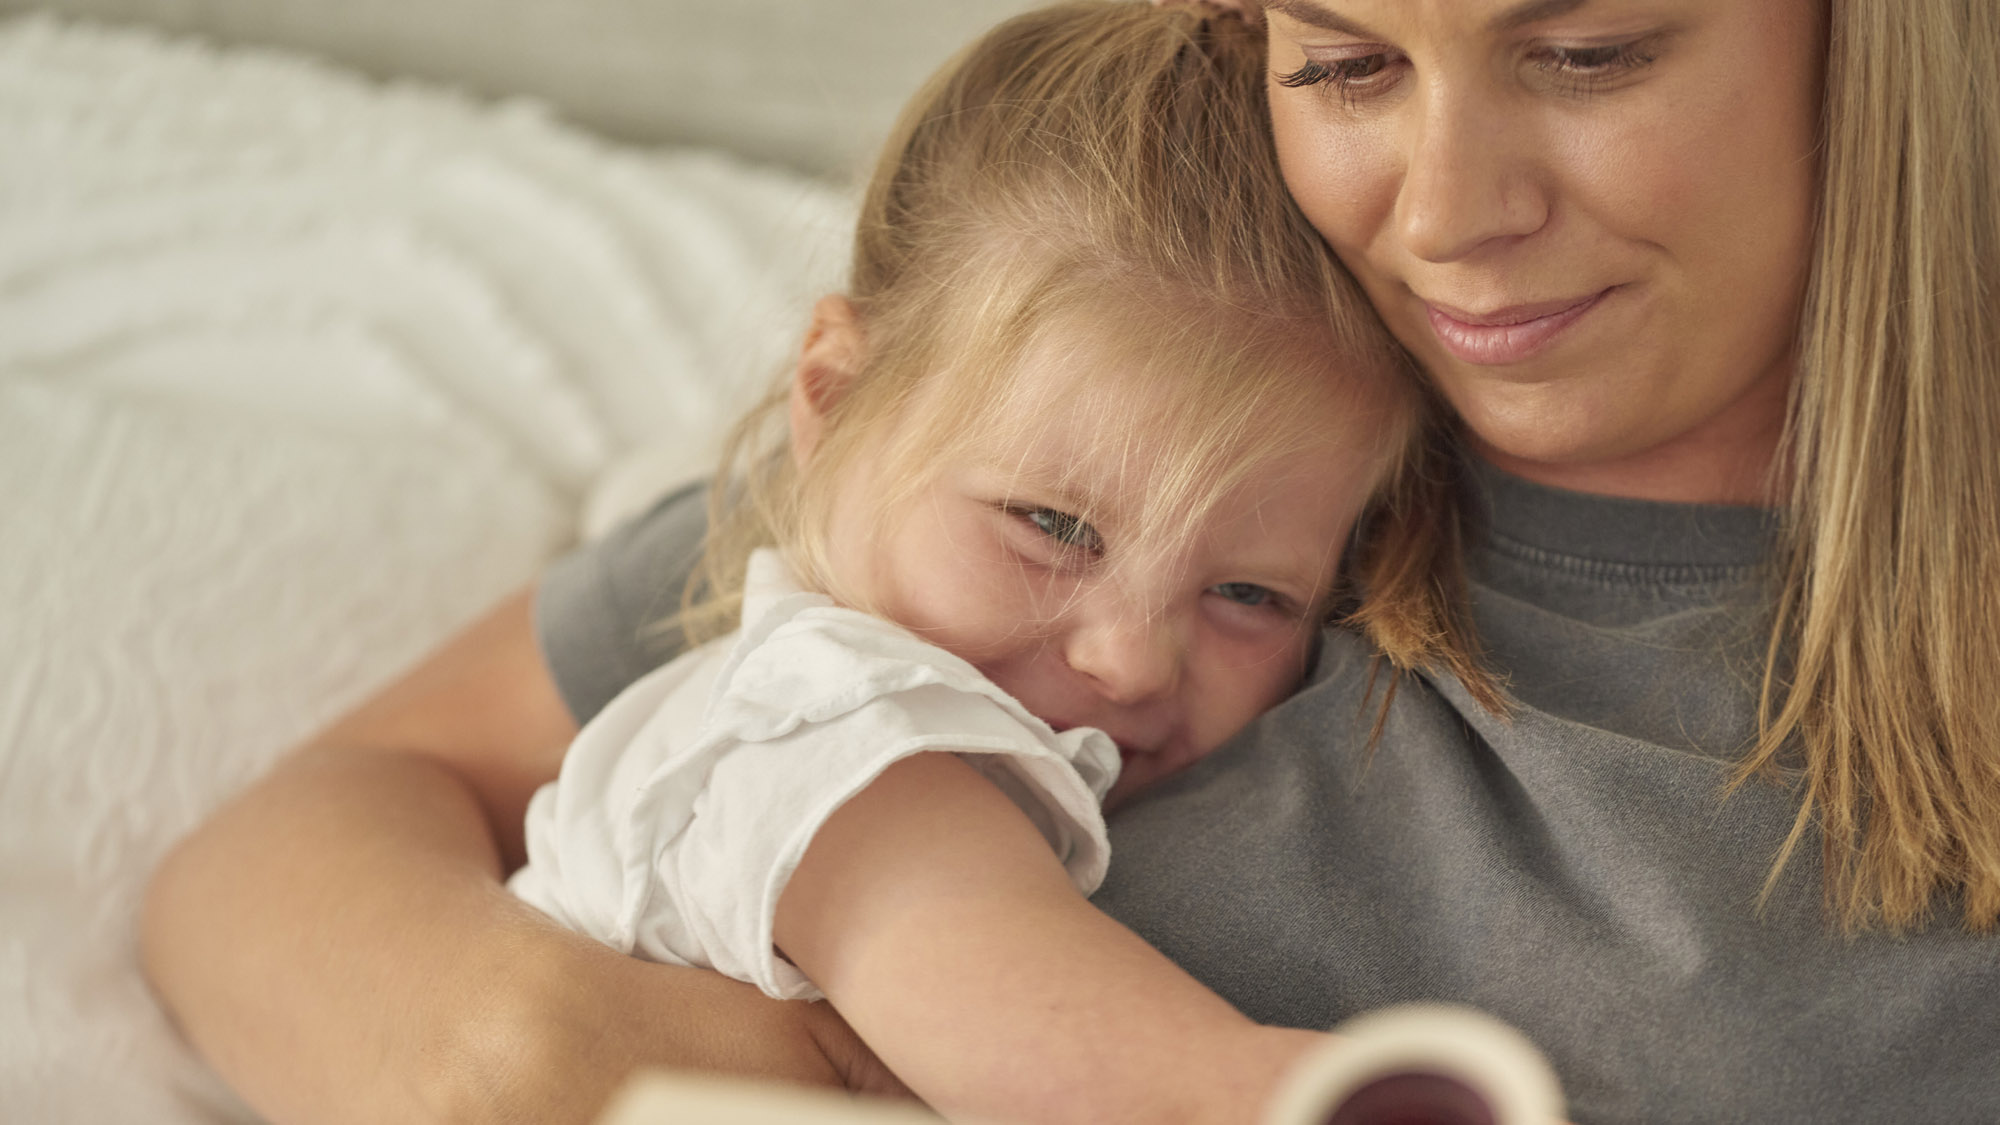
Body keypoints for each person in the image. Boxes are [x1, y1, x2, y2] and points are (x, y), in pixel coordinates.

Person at [140, 0, 2000, 1121]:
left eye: (1590, 50)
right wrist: (532, 1057)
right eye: (1343, 60)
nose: (1444, 221)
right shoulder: (1161, 394)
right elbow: (290, 850)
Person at [505, 8, 1453, 1119]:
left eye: (1248, 594)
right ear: (831, 400)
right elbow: (1151, 1088)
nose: (1129, 662)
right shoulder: (830, 733)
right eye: (1051, 529)